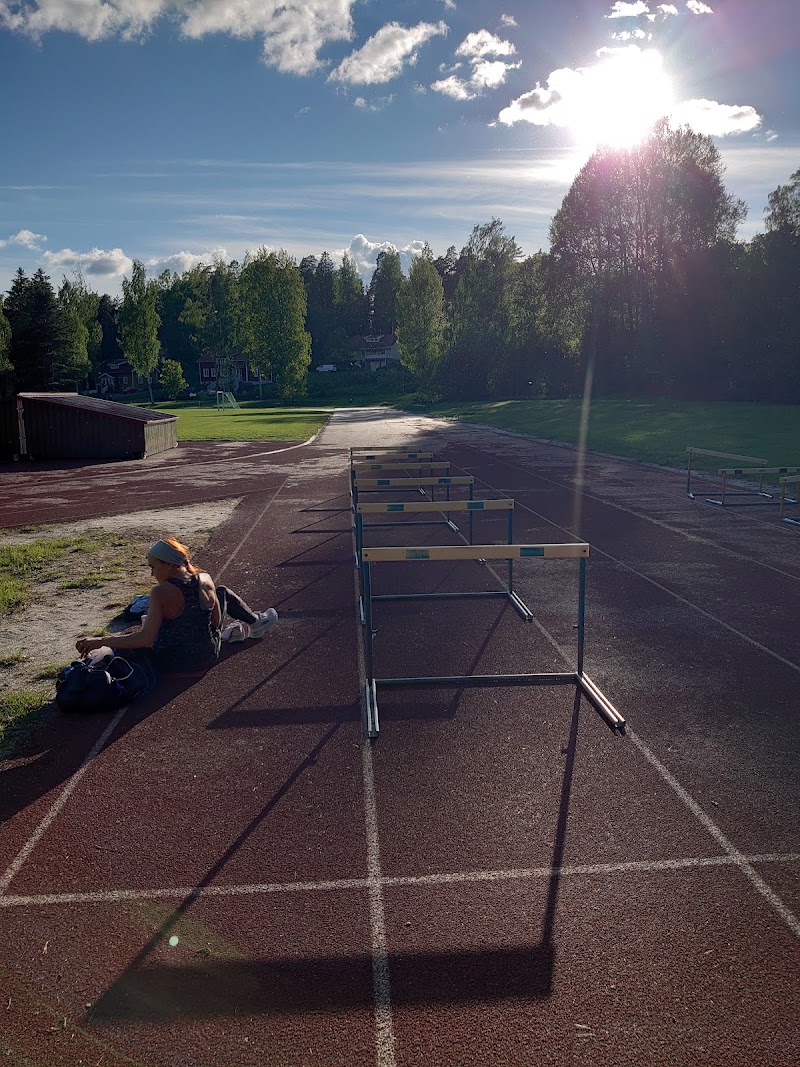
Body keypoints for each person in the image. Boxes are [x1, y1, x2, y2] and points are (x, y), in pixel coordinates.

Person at [75, 537, 277, 674]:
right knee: (221, 591)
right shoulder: (205, 579)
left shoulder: (160, 593)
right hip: (207, 655)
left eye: (153, 567)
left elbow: (146, 639)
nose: (152, 574)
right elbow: (215, 623)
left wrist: (102, 640)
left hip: (169, 662)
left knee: (140, 636)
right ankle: (255, 623)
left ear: (169, 565)